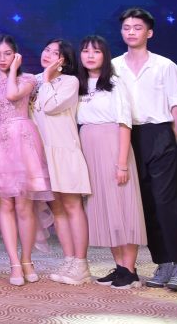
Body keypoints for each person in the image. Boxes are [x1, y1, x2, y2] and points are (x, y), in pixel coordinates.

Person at [112, 8, 177, 292]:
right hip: (127, 136)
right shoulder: (114, 66)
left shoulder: (164, 65)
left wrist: (170, 139)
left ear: (149, 32)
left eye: (137, 27)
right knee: (143, 205)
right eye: (126, 27)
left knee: (165, 202)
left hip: (159, 133)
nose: (131, 32)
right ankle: (163, 262)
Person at [77, 35, 146, 289]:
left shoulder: (115, 83)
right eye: (85, 51)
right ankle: (119, 267)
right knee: (104, 208)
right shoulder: (78, 85)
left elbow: (124, 123)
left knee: (122, 206)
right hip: (89, 147)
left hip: (113, 146)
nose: (90, 55)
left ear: (105, 56)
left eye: (96, 51)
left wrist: (122, 163)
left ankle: (130, 270)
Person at [0, 34, 53, 286]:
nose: (2, 59)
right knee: (5, 204)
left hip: (23, 141)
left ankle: (26, 260)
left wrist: (13, 70)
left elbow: (13, 95)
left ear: (16, 55)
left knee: (24, 205)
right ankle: (14, 263)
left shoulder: (28, 79)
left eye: (7, 54)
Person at [34, 39, 92, 285]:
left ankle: (81, 263)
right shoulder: (35, 80)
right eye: (46, 49)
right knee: (57, 209)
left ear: (64, 60)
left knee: (72, 206)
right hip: (42, 154)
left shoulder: (70, 81)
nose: (48, 54)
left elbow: (50, 106)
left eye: (55, 53)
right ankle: (69, 260)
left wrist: (47, 79)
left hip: (64, 151)